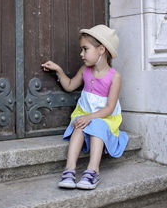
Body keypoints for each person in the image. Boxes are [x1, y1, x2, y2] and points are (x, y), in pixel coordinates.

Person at [41, 24, 129, 190]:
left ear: (101, 50)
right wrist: (58, 70)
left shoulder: (114, 77)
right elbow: (69, 85)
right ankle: (69, 170)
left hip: (105, 116)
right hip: (84, 112)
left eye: (85, 49)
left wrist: (90, 117)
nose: (81, 54)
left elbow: (109, 108)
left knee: (97, 124)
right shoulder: (85, 70)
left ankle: (93, 171)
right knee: (79, 126)